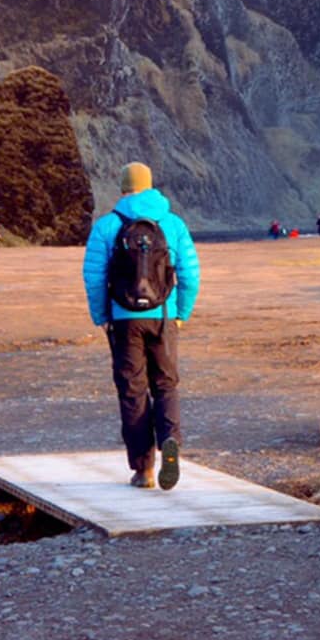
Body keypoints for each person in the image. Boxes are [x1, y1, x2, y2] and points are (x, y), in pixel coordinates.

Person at [82, 162, 201, 491]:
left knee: (133, 391)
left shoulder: (107, 226)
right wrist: (181, 313)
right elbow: (191, 273)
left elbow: (94, 277)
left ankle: (144, 469)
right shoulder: (173, 224)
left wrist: (102, 315)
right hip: (163, 316)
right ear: (150, 186)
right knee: (165, 385)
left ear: (123, 188)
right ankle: (170, 443)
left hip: (123, 320)